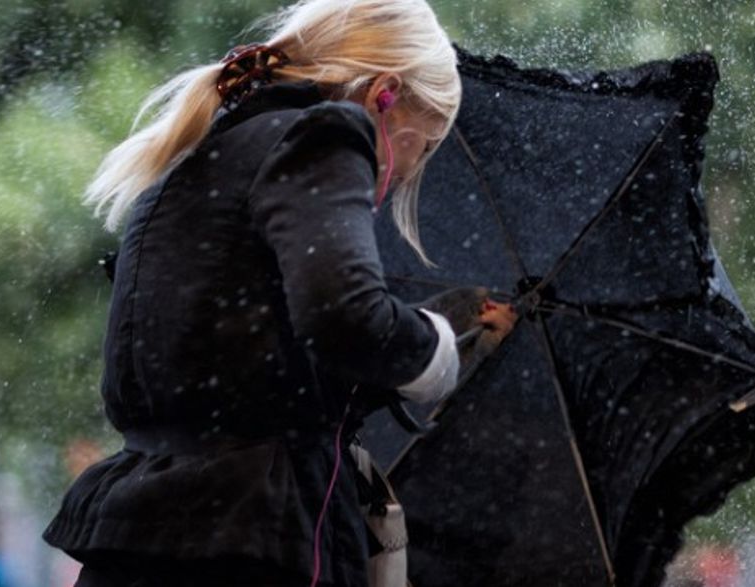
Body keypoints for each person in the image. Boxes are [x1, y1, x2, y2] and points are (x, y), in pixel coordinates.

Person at [41, 1, 518, 585]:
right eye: (423, 146)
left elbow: (247, 375)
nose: (403, 175)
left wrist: (443, 329)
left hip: (148, 529)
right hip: (250, 537)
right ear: (385, 94)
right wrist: (433, 350)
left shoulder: (202, 156)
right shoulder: (324, 135)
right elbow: (344, 315)